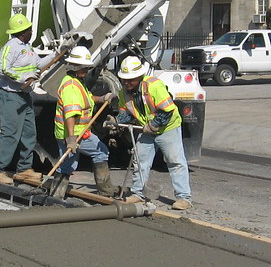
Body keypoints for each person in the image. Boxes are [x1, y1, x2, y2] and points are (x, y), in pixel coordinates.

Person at [114, 55, 192, 211]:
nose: (127, 83)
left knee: (175, 161)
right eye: (124, 80)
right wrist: (117, 120)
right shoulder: (124, 93)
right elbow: (127, 113)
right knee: (140, 160)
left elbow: (167, 110)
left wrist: (154, 124)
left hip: (168, 127)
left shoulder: (154, 86)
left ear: (140, 77)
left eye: (131, 80)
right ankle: (138, 194)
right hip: (146, 129)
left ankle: (184, 198)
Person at [0, 13, 55, 184]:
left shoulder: (28, 48)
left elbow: (39, 64)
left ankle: (24, 169)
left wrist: (57, 54)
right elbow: (3, 69)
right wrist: (23, 78)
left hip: (25, 97)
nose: (32, 31)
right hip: (10, 96)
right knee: (10, 134)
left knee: (29, 133)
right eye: (29, 29)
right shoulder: (11, 47)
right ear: (22, 31)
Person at [52, 47, 115, 199]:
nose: (86, 70)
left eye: (87, 68)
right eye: (84, 68)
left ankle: (56, 194)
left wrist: (101, 99)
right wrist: (71, 139)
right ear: (75, 67)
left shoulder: (76, 82)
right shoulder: (71, 87)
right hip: (74, 134)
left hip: (76, 133)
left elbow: (86, 99)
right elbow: (71, 114)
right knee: (100, 152)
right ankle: (106, 192)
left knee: (67, 163)